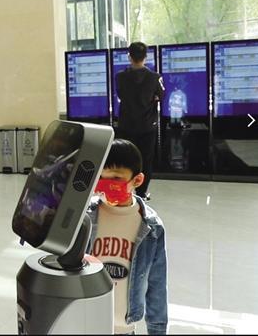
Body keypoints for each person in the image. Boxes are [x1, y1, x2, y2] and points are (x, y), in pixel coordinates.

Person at [88, 139, 168, 335]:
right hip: (87, 322)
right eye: (101, 178)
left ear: (137, 181)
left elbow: (157, 285)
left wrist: (157, 330)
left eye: (115, 178)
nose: (106, 186)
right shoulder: (85, 217)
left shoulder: (152, 229)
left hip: (125, 328)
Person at [115, 41, 164, 200]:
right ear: (145, 57)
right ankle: (141, 193)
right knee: (145, 160)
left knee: (125, 159)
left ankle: (124, 191)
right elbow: (161, 96)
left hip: (126, 125)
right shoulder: (155, 77)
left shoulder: (120, 77)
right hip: (147, 126)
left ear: (129, 56)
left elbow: (121, 95)